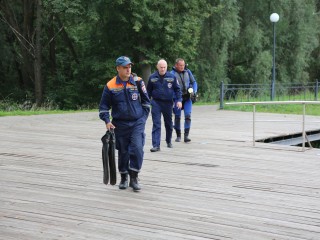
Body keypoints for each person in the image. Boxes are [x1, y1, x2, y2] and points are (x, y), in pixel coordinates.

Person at [99, 56, 151, 192]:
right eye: (125, 67)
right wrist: (107, 121)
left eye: (130, 67)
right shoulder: (110, 86)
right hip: (119, 124)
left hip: (137, 122)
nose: (128, 70)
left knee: (137, 148)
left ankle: (134, 177)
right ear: (118, 68)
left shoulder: (138, 82)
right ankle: (123, 177)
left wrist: (143, 118)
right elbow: (103, 107)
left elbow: (146, 102)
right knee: (123, 151)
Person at [147, 59, 182, 152]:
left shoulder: (172, 76)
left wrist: (179, 100)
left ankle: (168, 140)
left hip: (168, 103)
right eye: (161, 67)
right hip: (156, 103)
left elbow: (178, 90)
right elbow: (148, 92)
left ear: (166, 67)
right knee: (156, 124)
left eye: (164, 67)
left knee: (169, 124)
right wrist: (146, 103)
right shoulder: (152, 77)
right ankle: (156, 145)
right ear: (157, 67)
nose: (162, 69)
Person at [171, 58, 198, 142]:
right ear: (176, 65)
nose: (182, 67)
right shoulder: (172, 74)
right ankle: (178, 136)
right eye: (180, 65)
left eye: (183, 65)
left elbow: (194, 82)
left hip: (187, 98)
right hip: (177, 99)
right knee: (177, 117)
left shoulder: (188, 72)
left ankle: (186, 136)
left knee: (188, 116)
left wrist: (194, 91)